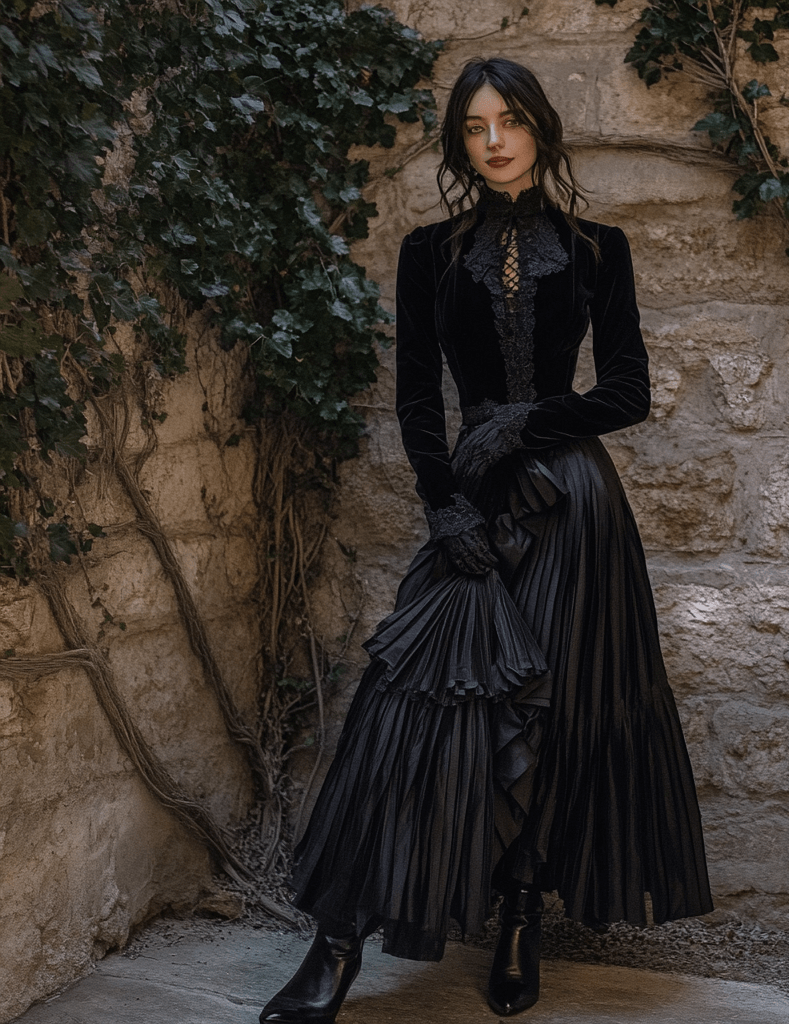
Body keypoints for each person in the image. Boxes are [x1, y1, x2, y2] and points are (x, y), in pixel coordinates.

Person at [259, 56, 713, 1023]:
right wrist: (443, 507)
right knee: (412, 714)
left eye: (508, 120)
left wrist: (527, 421)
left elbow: (627, 391)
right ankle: (336, 946)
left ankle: (518, 916)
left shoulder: (599, 248)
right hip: (473, 507)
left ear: (541, 128)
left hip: (573, 508)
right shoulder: (427, 251)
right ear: (460, 142)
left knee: (545, 721)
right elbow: (417, 400)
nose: (495, 139)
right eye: (474, 126)